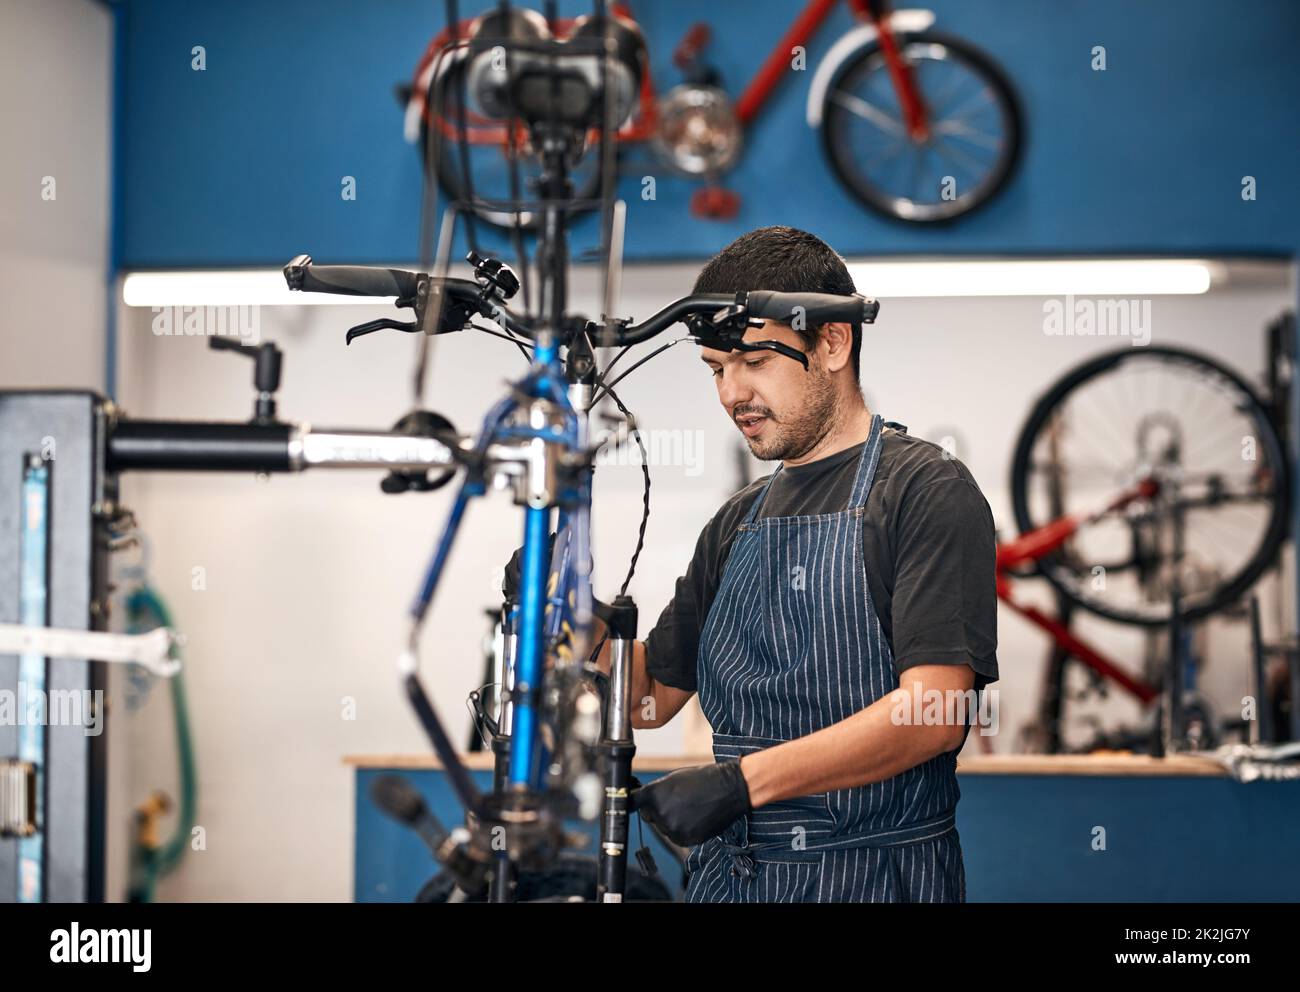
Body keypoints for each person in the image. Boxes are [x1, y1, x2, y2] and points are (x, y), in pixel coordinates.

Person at [613, 226, 999, 903]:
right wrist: (566, 617)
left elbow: (934, 713)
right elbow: (648, 702)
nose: (731, 393)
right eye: (715, 369)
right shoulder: (738, 521)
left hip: (872, 879)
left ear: (832, 342)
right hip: (732, 881)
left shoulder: (923, 491)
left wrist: (741, 784)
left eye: (752, 361)